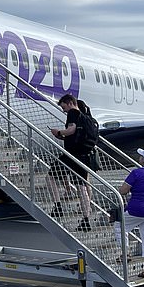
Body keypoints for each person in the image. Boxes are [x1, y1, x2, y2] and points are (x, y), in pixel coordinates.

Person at [47, 94, 94, 231]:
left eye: (63, 107)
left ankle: (57, 206)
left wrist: (59, 132)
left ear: (69, 103)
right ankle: (86, 219)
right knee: (81, 187)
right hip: (84, 155)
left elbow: (71, 130)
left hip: (71, 155)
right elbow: (75, 134)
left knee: (50, 177)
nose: (64, 111)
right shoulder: (87, 117)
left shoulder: (73, 113)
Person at [115, 148, 144, 278]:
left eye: (141, 156)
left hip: (137, 209)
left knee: (120, 226)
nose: (139, 157)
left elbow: (123, 190)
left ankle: (125, 253)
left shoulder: (136, 173)